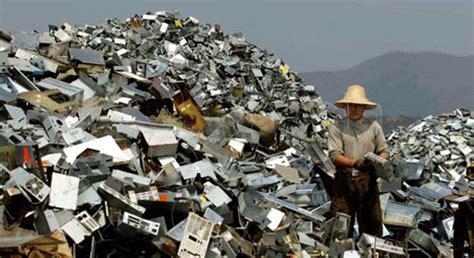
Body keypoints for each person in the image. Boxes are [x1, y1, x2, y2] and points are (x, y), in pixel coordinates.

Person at [328, 84, 389, 238]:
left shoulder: (373, 127)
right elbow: (334, 156)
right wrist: (355, 163)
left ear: (363, 108)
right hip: (344, 182)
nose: (354, 109)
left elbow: (384, 150)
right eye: (351, 106)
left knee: (371, 227)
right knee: (341, 227)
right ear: (345, 108)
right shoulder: (337, 127)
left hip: (367, 182)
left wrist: (380, 161)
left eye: (357, 106)